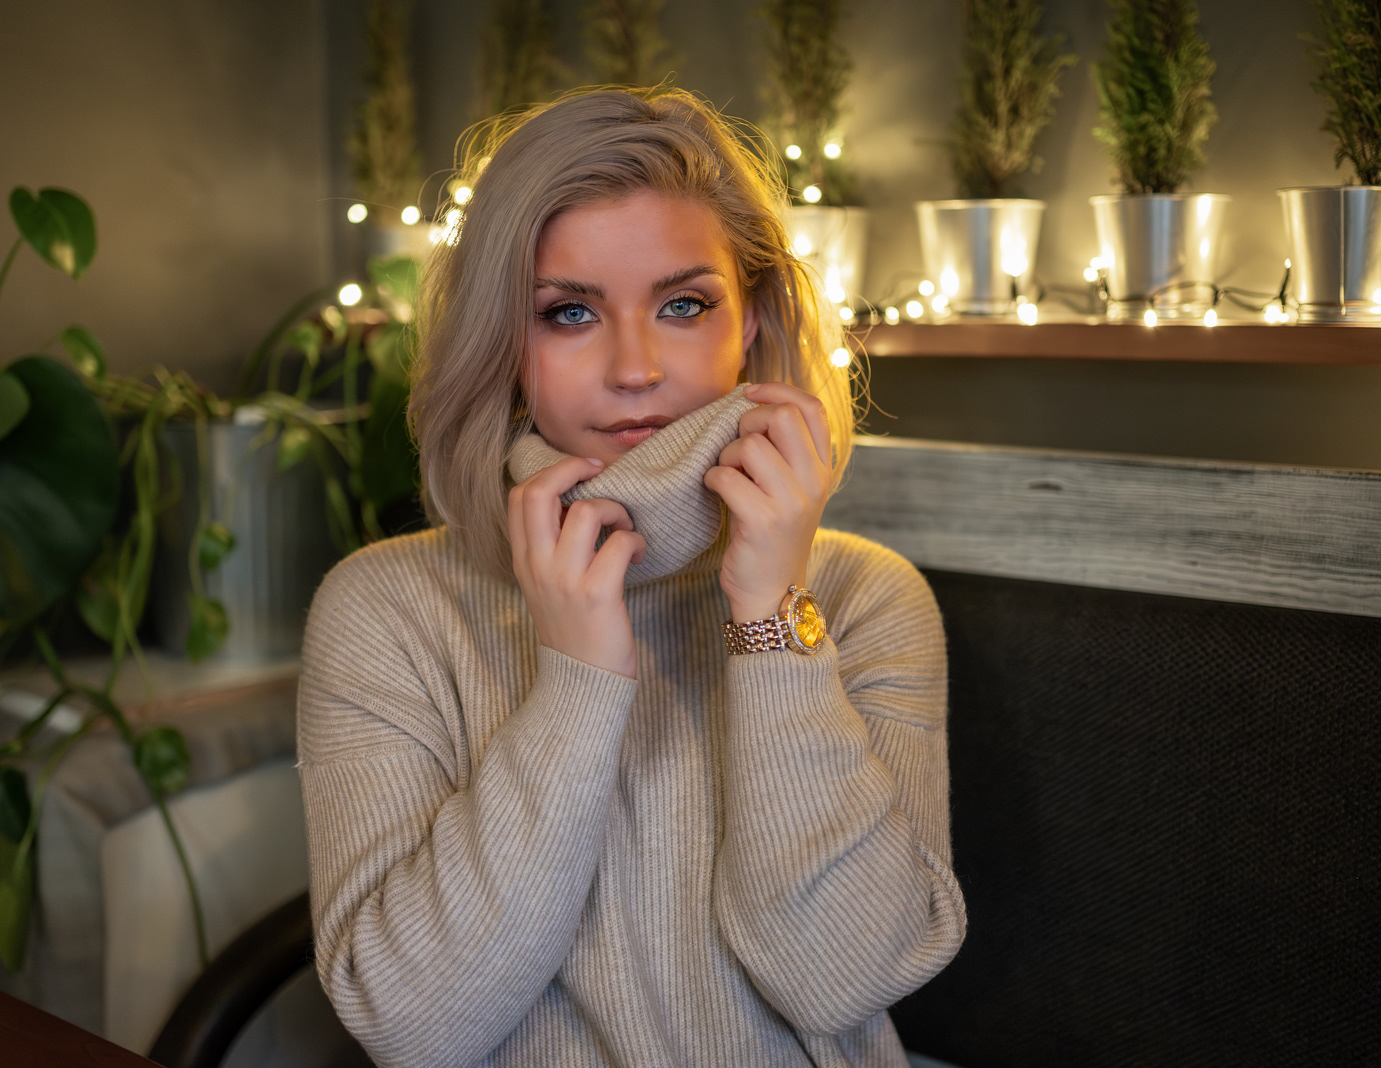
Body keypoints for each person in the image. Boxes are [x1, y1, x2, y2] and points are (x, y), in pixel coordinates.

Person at [297, 88, 965, 1068]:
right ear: (504, 343)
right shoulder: (386, 610)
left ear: (750, 319)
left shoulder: (864, 599)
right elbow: (416, 1027)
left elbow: (840, 980)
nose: (635, 367)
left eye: (683, 305)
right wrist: (576, 679)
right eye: (569, 312)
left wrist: (771, 620)